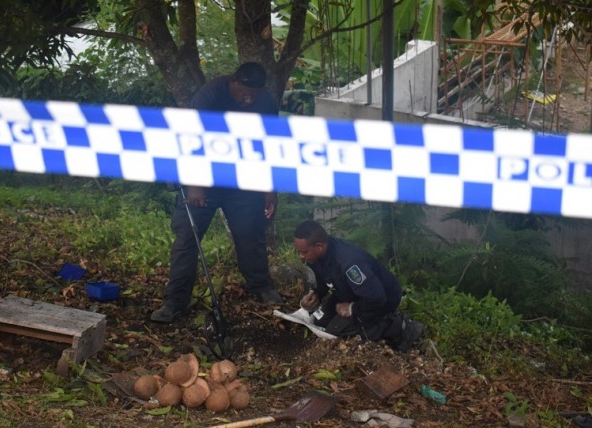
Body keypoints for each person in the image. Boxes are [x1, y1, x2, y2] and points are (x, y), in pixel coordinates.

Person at [150, 62, 284, 323]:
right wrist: (195, 184)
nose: (249, 99)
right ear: (233, 81)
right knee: (187, 238)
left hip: (242, 180)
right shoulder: (209, 95)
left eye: (254, 95)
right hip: (204, 178)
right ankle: (175, 301)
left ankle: (260, 286)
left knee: (251, 234)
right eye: (244, 92)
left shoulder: (265, 102)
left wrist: (270, 189)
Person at [292, 220, 424, 351]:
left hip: (380, 298)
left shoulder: (348, 263)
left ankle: (398, 326)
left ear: (319, 246)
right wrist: (316, 295)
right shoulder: (315, 256)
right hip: (348, 292)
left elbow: (377, 298)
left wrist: (352, 308)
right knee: (318, 321)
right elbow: (324, 279)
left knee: (337, 334)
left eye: (304, 252)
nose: (301, 256)